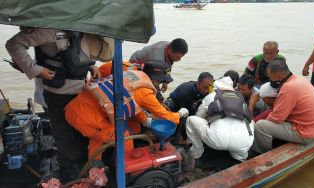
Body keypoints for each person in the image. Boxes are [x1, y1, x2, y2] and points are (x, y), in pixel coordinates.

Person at [5, 28, 104, 187]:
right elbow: (13, 44)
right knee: (65, 141)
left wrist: (91, 67)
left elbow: (77, 53)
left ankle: (85, 172)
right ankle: (70, 179)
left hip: (81, 92)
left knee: (82, 136)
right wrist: (37, 70)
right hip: (59, 95)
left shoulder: (80, 25)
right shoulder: (49, 29)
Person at [64, 69, 189, 186]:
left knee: (100, 134)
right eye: (160, 82)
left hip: (74, 107)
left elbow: (133, 101)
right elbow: (167, 116)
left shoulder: (132, 75)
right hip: (84, 118)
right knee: (126, 137)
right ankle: (126, 175)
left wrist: (146, 121)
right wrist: (182, 113)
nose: (160, 85)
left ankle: (95, 164)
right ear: (155, 81)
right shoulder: (146, 93)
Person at [252, 59, 314, 154]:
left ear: (279, 76)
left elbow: (276, 118)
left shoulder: (288, 88)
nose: (270, 81)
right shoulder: (299, 79)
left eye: (270, 77)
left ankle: (263, 154)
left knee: (261, 126)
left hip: (306, 133)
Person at [186, 76, 254, 161]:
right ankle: (240, 156)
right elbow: (249, 118)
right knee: (250, 122)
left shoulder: (212, 96)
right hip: (243, 143)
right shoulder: (240, 98)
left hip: (217, 141)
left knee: (190, 120)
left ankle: (197, 153)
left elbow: (199, 116)